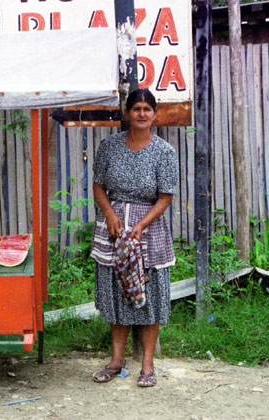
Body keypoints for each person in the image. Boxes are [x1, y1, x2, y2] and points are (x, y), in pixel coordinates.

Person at [90, 88, 178, 387]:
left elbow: (165, 196)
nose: (142, 113)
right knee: (117, 294)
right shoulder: (109, 147)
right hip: (113, 228)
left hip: (149, 229)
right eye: (136, 108)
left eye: (147, 109)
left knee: (149, 296)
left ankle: (148, 365)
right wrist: (111, 216)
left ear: (155, 114)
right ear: (127, 113)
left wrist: (141, 224)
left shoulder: (165, 152)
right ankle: (116, 360)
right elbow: (99, 186)